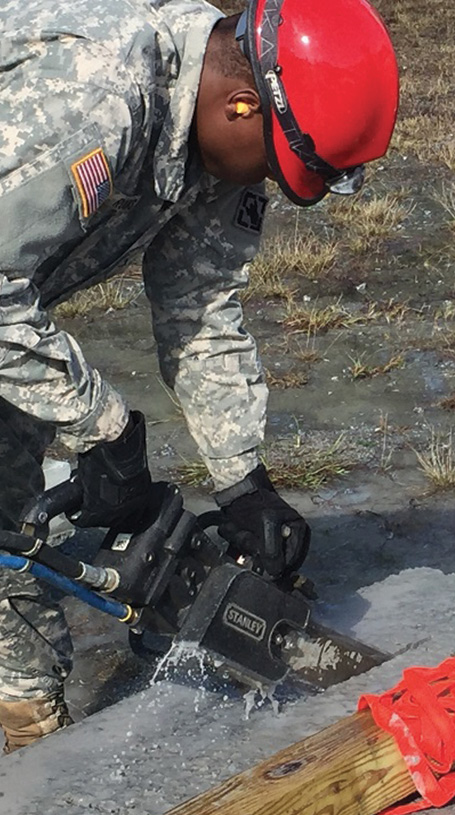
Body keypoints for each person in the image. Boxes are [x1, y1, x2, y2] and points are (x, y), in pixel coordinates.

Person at [0, 0, 399, 753]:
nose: (267, 185)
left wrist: (240, 480)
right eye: (275, 167)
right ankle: (25, 715)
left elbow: (200, 303)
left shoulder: (219, 125)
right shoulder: (101, 91)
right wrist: (103, 428)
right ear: (242, 105)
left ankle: (25, 722)